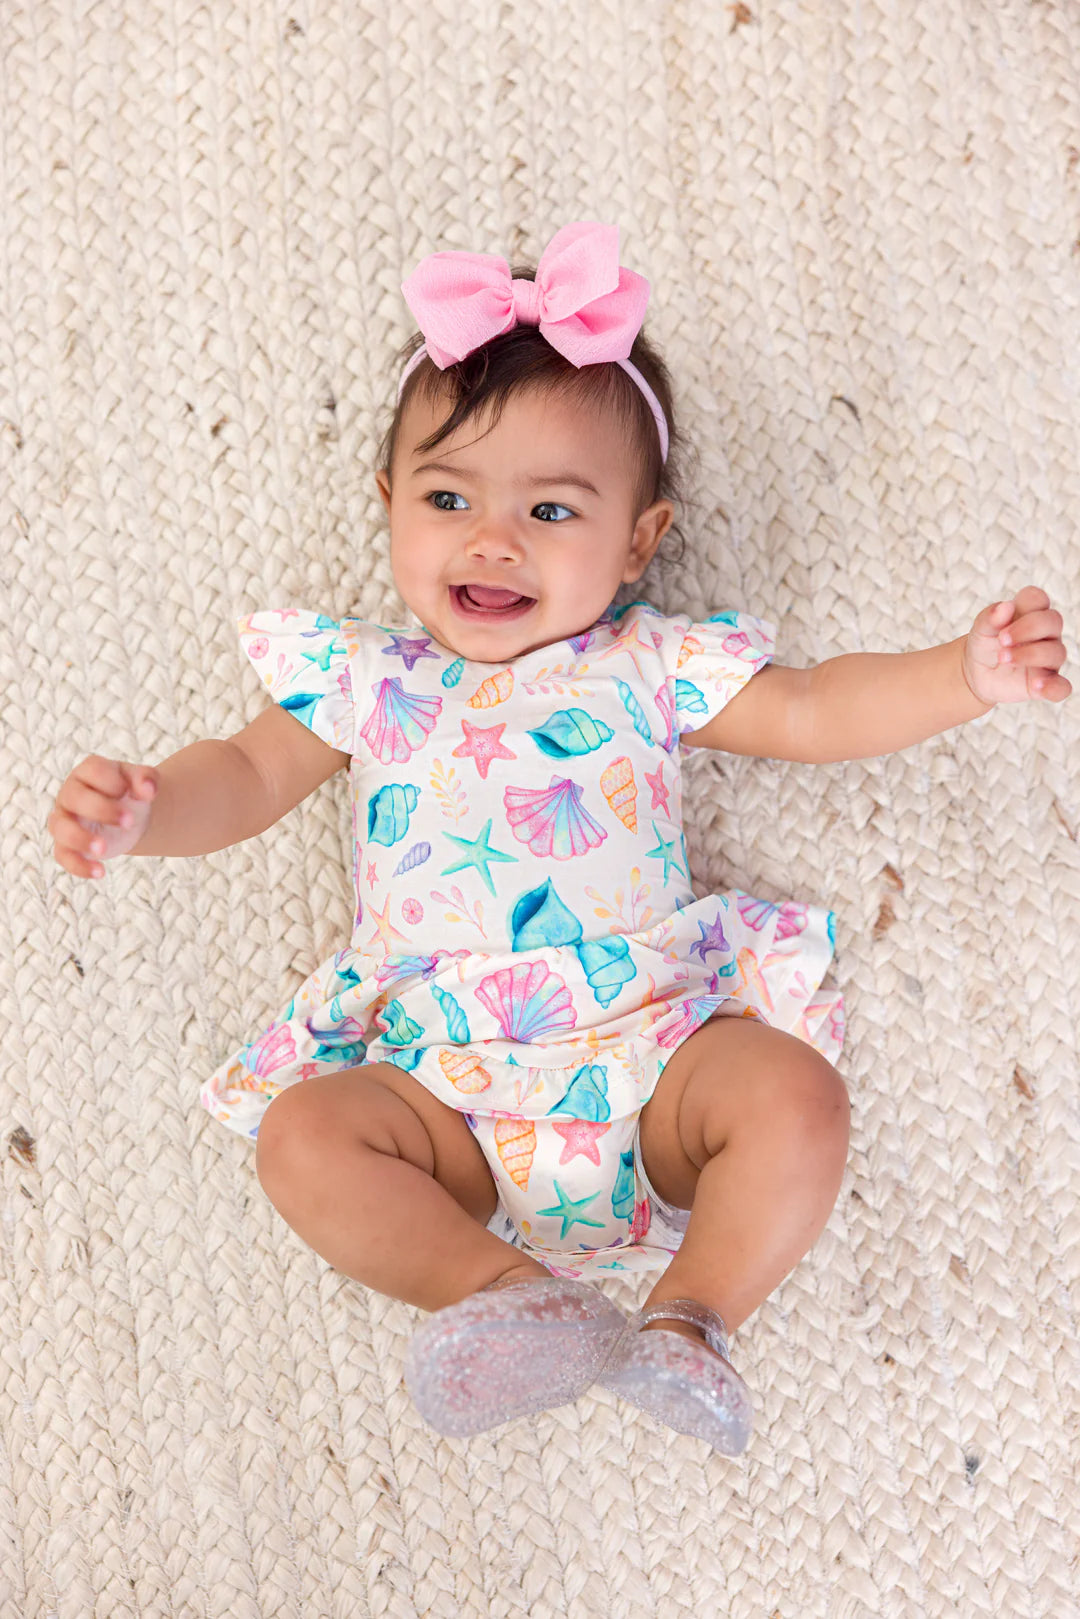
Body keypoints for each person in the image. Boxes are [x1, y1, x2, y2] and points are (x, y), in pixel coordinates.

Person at [48, 222, 1070, 1456]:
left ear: (639, 540)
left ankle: (691, 1317)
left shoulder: (645, 667)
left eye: (549, 508)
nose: (492, 538)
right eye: (448, 498)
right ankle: (505, 1295)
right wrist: (153, 805)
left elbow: (811, 709)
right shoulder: (369, 678)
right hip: (441, 1087)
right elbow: (249, 774)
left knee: (797, 1094)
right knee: (303, 1137)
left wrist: (959, 674)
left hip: (654, 1058)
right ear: (388, 505)